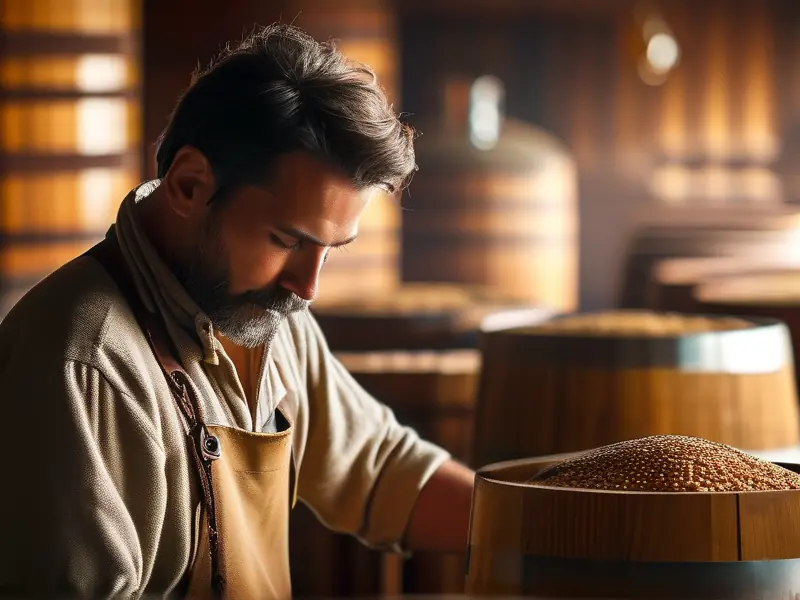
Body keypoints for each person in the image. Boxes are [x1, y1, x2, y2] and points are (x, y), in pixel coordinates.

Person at [0, 23, 475, 599]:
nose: (308, 288)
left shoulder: (266, 315)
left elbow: (378, 470)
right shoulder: (83, 364)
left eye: (331, 251)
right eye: (287, 240)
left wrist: (551, 522)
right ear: (191, 185)